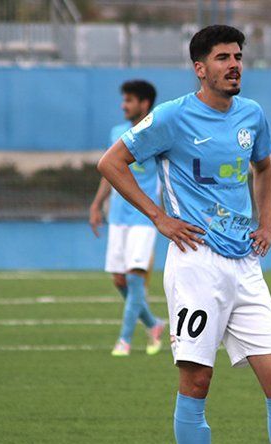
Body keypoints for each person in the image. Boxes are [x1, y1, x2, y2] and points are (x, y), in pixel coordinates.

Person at [98, 25, 271, 444]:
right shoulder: (171, 116)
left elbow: (265, 168)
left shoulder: (252, 114)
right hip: (196, 264)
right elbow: (112, 163)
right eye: (222, 58)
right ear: (200, 67)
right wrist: (160, 218)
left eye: (238, 56)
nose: (234, 64)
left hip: (246, 266)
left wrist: (267, 223)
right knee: (197, 379)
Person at [89, 80, 166, 357]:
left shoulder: (159, 132)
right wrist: (97, 204)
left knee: (134, 279)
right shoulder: (117, 133)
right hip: (118, 217)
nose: (124, 105)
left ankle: (124, 340)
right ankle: (154, 324)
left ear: (144, 104)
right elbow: (109, 172)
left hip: (145, 218)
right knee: (119, 280)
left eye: (129, 100)